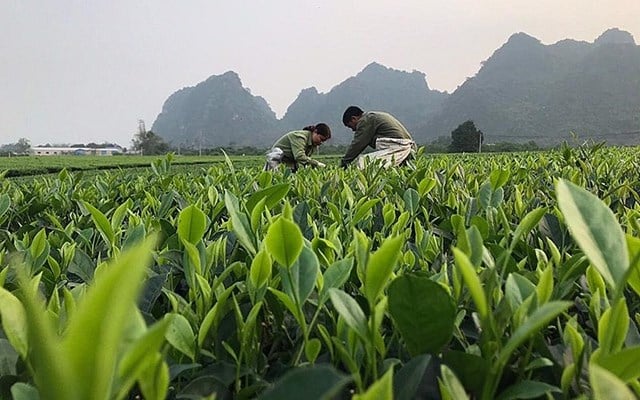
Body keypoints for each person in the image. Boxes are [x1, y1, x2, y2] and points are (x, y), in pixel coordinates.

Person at [340, 106, 416, 168]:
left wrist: (344, 163)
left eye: (350, 126)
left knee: (364, 162)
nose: (353, 130)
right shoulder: (373, 116)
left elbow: (358, 144)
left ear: (354, 118)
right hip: (410, 147)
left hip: (399, 147)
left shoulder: (365, 121)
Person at [265, 123, 331, 171]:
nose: (321, 142)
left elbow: (305, 160)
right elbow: (299, 156)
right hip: (276, 159)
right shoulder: (301, 137)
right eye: (321, 139)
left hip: (290, 161)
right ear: (315, 132)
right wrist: (317, 163)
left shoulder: (313, 144)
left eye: (323, 141)